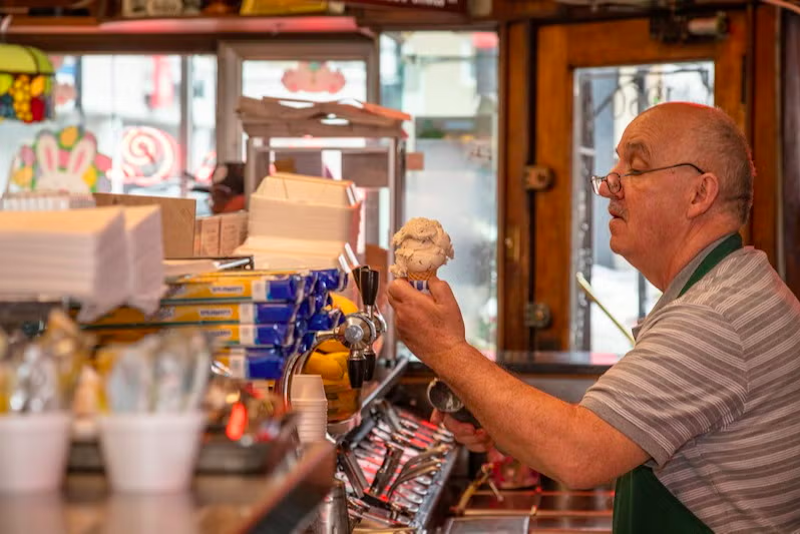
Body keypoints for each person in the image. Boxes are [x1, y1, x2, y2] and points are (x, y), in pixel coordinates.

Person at [388, 102, 800, 533]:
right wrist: (493, 412)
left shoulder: (716, 315)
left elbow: (579, 453)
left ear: (699, 194)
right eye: (614, 166)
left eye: (635, 169)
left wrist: (445, 349)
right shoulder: (726, 286)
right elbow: (611, 427)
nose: (608, 186)